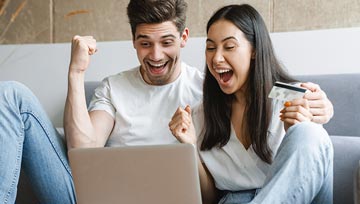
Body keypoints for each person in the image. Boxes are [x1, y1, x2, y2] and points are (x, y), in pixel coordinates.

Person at [0, 1, 332, 204]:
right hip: (108, 197)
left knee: (310, 134)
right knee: (10, 93)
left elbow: (310, 116)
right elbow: (82, 153)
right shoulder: (202, 107)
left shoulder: (220, 92)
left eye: (229, 47)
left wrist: (322, 107)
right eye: (145, 43)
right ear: (133, 42)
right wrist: (75, 72)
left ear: (184, 39)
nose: (156, 55)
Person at [169, 4, 333, 204]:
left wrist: (300, 127)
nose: (216, 58)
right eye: (210, 48)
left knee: (310, 133)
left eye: (229, 47)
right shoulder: (200, 116)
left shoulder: (288, 95)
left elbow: (316, 142)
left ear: (254, 51)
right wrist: (190, 148)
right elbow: (208, 199)